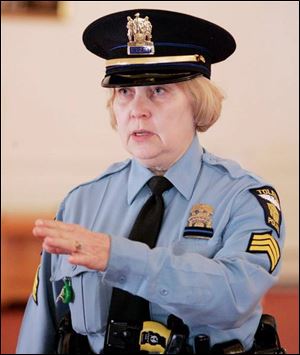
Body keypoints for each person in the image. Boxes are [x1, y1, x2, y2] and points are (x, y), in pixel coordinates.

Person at [16, 8, 286, 355]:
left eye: (158, 90)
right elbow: (43, 326)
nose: (136, 109)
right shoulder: (81, 202)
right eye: (124, 93)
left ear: (197, 104)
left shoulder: (245, 198)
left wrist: (118, 258)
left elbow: (232, 297)